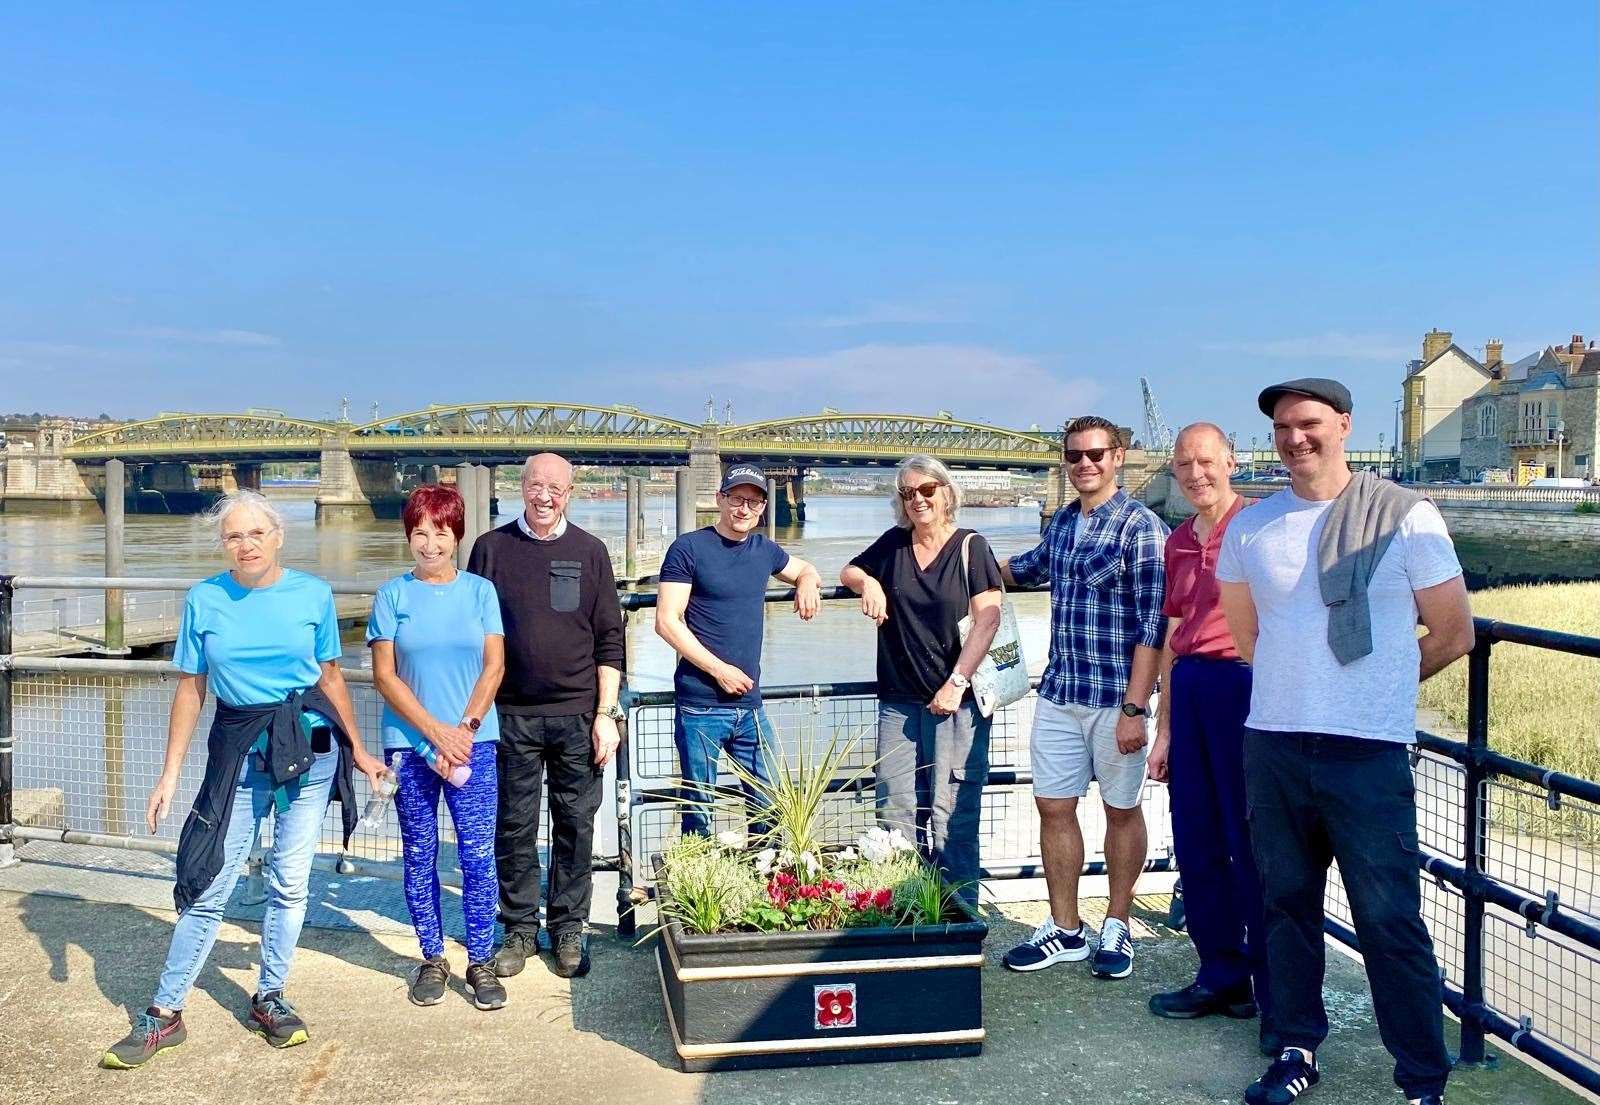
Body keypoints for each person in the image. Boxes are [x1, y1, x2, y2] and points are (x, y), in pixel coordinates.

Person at [1217, 378, 1474, 1105]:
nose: (1295, 438)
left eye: (1310, 424)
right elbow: (1248, 639)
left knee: (1389, 918)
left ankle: (1423, 1080)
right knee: (1285, 906)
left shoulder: (1407, 516)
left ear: (1344, 425)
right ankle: (1294, 1049)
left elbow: (1453, 632)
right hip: (1274, 743)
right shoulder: (1252, 527)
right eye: (1282, 428)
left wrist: (1377, 687)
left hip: (1367, 751)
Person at [101, 490, 387, 1069]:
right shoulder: (205, 599)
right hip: (238, 750)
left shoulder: (311, 594)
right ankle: (165, 1012)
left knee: (289, 880)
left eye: (257, 533)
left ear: (279, 536)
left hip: (310, 747)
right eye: (235, 535)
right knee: (210, 882)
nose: (246, 543)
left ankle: (271, 996)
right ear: (223, 544)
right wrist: (169, 773)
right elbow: (191, 687)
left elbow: (330, 678)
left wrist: (360, 747)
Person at [1000, 415, 1168, 980]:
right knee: (1053, 806)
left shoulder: (1141, 528)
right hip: (1059, 690)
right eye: (1074, 456)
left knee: (1121, 811)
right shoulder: (1066, 522)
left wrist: (1135, 708)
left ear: (1119, 456)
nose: (1084, 465)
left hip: (1114, 698)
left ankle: (1116, 926)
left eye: (1096, 454)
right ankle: (1066, 930)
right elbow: (1025, 570)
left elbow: (1154, 626)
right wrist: (956, 563)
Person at [467, 453, 625, 980]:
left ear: (570, 492)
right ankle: (517, 927)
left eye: (555, 487)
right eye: (536, 485)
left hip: (578, 714)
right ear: (520, 487)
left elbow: (610, 639)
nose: (545, 495)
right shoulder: (490, 549)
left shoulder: (591, 551)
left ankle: (567, 926)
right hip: (508, 714)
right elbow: (473, 636)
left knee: (576, 824)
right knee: (513, 824)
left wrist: (606, 713)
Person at [1145, 424, 1272, 1048]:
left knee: (1249, 838)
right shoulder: (1177, 542)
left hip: (1243, 685)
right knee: (1195, 838)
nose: (1197, 474)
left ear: (1231, 462)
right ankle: (1218, 973)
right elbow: (1173, 635)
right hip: (1191, 685)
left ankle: (1267, 983)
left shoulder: (1259, 528)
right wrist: (1163, 729)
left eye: (1207, 462)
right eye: (1185, 464)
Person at [840, 454, 1002, 908]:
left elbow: (988, 620)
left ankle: (960, 920)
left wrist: (956, 682)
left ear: (946, 493)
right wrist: (867, 584)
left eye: (926, 490)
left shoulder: (972, 546)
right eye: (907, 493)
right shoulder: (893, 545)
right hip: (898, 702)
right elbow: (848, 570)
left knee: (953, 816)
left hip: (958, 705)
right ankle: (906, 915)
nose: (917, 500)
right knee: (895, 813)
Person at [369, 484, 507, 1010]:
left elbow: (494, 666)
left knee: (477, 854)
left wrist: (464, 729)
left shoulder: (480, 592)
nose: (430, 544)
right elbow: (385, 677)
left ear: (457, 535)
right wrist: (434, 732)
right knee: (419, 853)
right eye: (419, 533)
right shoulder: (392, 596)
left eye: (441, 533)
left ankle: (480, 960)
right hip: (409, 746)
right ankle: (431, 956)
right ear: (409, 536)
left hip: (475, 743)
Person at [654, 463, 821, 838]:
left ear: (763, 508)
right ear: (720, 500)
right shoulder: (689, 549)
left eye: (755, 502)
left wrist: (807, 581)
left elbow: (805, 567)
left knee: (770, 807)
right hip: (700, 704)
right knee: (700, 812)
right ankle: (698, 890)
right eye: (737, 499)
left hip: (750, 704)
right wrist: (719, 670)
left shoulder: (765, 550)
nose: (745, 509)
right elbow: (667, 621)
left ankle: (765, 887)